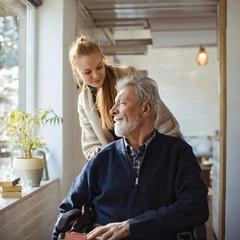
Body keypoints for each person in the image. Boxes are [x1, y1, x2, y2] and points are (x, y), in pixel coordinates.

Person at [52, 75, 209, 240]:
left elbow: (195, 206)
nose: (112, 111)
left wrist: (131, 226)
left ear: (145, 108)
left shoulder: (178, 153)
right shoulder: (103, 158)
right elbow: (67, 210)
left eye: (121, 103)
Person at [69, 35, 183, 160]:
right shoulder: (84, 101)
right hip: (119, 164)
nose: (96, 75)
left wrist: (173, 149)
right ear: (76, 71)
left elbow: (159, 114)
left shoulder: (128, 76)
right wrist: (95, 150)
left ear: (103, 60)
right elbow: (90, 141)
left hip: (152, 154)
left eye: (99, 67)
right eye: (87, 72)